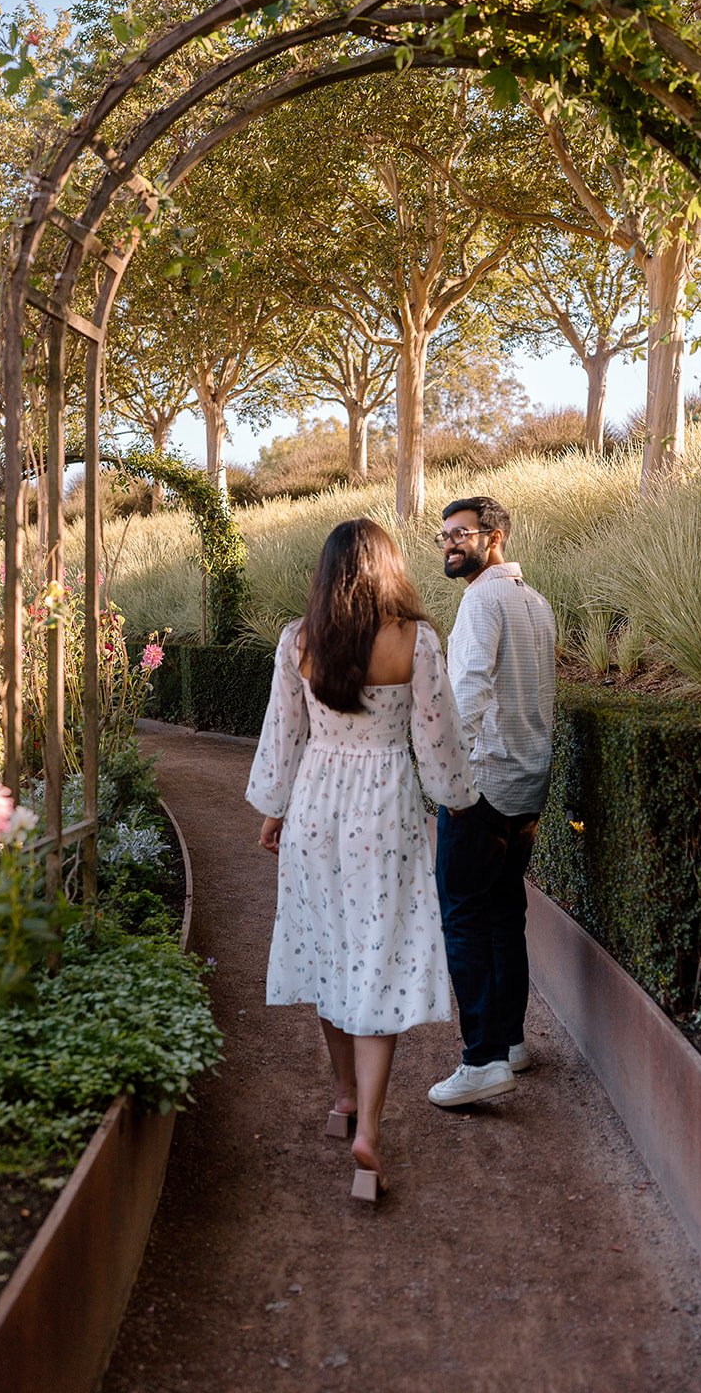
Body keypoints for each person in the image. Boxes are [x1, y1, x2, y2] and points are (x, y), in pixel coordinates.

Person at [246, 517, 476, 1201]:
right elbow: (436, 740)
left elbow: (282, 738)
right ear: (388, 567)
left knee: (326, 944)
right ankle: (368, 1129)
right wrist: (456, 798)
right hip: (384, 808)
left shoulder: (299, 640)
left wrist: (274, 808)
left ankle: (342, 1094)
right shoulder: (415, 640)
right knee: (378, 953)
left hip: (316, 802)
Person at [428, 494, 556, 1109]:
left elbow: (470, 693)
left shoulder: (482, 601)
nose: (450, 543)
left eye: (462, 533)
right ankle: (508, 1043)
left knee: (463, 917)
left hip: (481, 787)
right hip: (527, 785)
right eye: (444, 535)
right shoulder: (536, 604)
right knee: (505, 913)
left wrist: (452, 781)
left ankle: (480, 1061)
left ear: (496, 535)